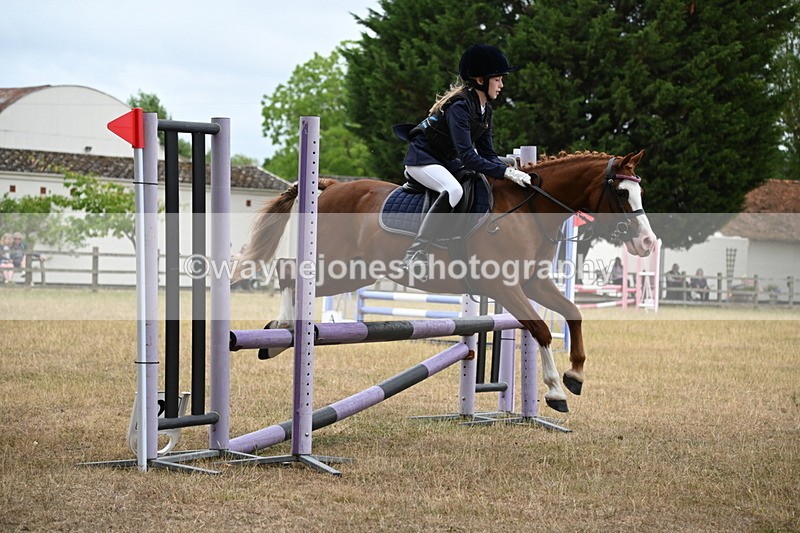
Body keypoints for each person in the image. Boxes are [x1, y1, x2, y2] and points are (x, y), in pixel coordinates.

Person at [397, 43, 532, 273]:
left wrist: (512, 167)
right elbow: (469, 157)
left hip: (446, 161)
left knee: (479, 179)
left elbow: (487, 154)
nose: (502, 85)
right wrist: (505, 172)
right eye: (497, 79)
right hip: (422, 160)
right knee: (453, 190)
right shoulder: (459, 106)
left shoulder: (485, 109)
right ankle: (415, 253)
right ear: (480, 80)